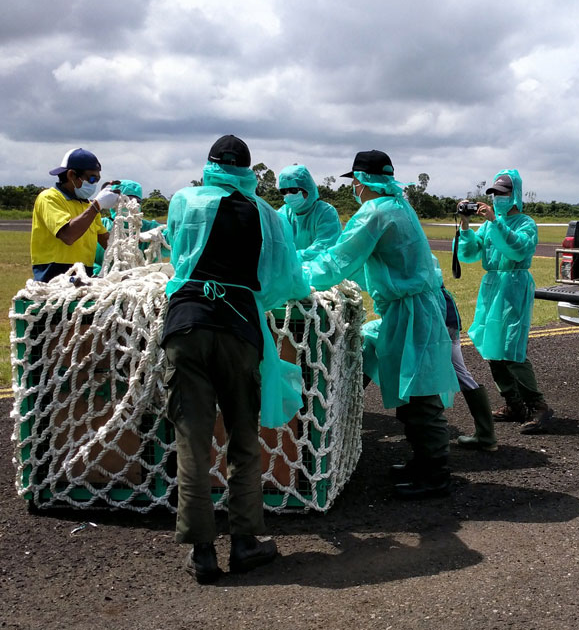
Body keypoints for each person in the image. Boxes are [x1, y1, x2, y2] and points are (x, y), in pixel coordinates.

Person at [160, 135, 310, 584]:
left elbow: (176, 252)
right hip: (240, 328)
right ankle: (245, 542)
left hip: (186, 324)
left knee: (193, 439)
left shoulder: (186, 199)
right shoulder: (265, 213)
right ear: (247, 169)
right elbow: (286, 279)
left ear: (209, 165)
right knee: (243, 439)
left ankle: (202, 552)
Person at [303, 150, 459, 499]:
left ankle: (436, 473)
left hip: (412, 311)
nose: (354, 189)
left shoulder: (375, 212)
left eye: (354, 183)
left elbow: (340, 259)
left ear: (360, 182)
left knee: (420, 394)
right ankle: (423, 462)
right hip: (413, 307)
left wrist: (295, 278)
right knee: (409, 389)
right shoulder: (399, 205)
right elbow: (361, 260)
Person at [457, 169, 553, 433]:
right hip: (492, 288)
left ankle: (538, 405)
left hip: (514, 286)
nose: (497, 198)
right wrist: (465, 225)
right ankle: (513, 403)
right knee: (492, 349)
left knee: (512, 349)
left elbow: (518, 247)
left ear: (515, 195)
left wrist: (495, 222)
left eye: (502, 193)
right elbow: (469, 253)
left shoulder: (525, 223)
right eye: (494, 193)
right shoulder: (488, 225)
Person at [30, 148, 118, 281]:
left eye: (97, 180)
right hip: (54, 274)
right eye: (92, 178)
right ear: (71, 175)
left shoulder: (87, 206)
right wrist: (97, 205)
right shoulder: (49, 198)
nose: (93, 184)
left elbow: (107, 241)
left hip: (83, 274)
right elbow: (68, 235)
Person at [442, 285, 497, 451]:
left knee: (422, 375)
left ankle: (430, 440)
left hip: (435, 316)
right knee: (461, 373)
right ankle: (486, 434)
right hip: (448, 314)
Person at [92, 179, 166, 274]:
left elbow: (175, 238)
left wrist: (157, 234)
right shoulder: (100, 225)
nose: (131, 203)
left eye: (137, 201)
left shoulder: (148, 227)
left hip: (139, 281)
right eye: (126, 199)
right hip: (102, 280)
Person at [276, 164, 343, 260]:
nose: (288, 194)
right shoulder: (283, 213)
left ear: (308, 188)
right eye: (284, 191)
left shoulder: (325, 212)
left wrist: (292, 258)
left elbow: (324, 247)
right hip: (290, 270)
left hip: (319, 270)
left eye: (294, 190)